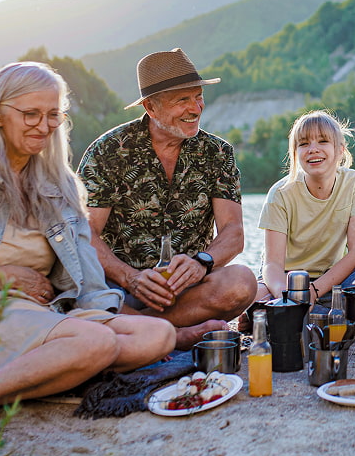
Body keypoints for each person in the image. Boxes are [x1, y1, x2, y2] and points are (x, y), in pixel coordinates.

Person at [0, 62, 175, 419]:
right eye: (30, 113)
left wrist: (104, 313)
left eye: (53, 114)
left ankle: (44, 370)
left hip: (43, 314)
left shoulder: (58, 184)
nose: (44, 125)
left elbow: (88, 276)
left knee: (157, 335)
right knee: (96, 343)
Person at [78, 48, 257, 349]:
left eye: (198, 96)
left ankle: (141, 330)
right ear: (151, 107)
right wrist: (130, 278)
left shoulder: (217, 153)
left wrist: (202, 263)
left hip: (188, 291)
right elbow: (84, 234)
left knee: (242, 283)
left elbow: (234, 233)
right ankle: (174, 333)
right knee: (77, 290)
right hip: (119, 287)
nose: (196, 108)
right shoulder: (109, 151)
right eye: (182, 100)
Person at [255, 110, 355, 307]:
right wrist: (287, 299)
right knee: (255, 295)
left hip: (335, 277)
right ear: (295, 153)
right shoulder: (280, 193)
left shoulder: (353, 182)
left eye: (323, 141)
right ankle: (278, 311)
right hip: (289, 279)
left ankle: (318, 305)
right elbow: (272, 265)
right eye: (303, 144)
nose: (313, 149)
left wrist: (313, 291)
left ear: (340, 150)